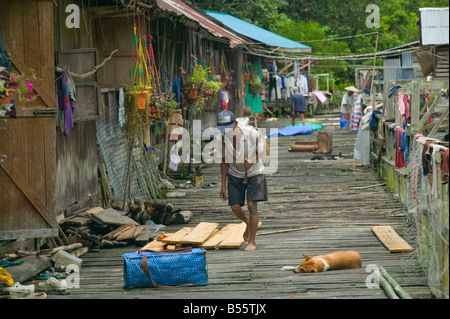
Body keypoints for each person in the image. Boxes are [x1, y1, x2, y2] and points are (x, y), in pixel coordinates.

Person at [217, 110, 268, 251]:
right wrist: (223, 185)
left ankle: (252, 241)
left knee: (251, 204)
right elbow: (223, 161)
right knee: (234, 206)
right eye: (223, 130)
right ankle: (248, 223)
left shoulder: (251, 134)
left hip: (254, 172)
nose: (226, 132)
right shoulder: (221, 139)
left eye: (229, 128)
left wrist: (251, 160)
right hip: (234, 173)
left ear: (236, 124)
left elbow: (262, 150)